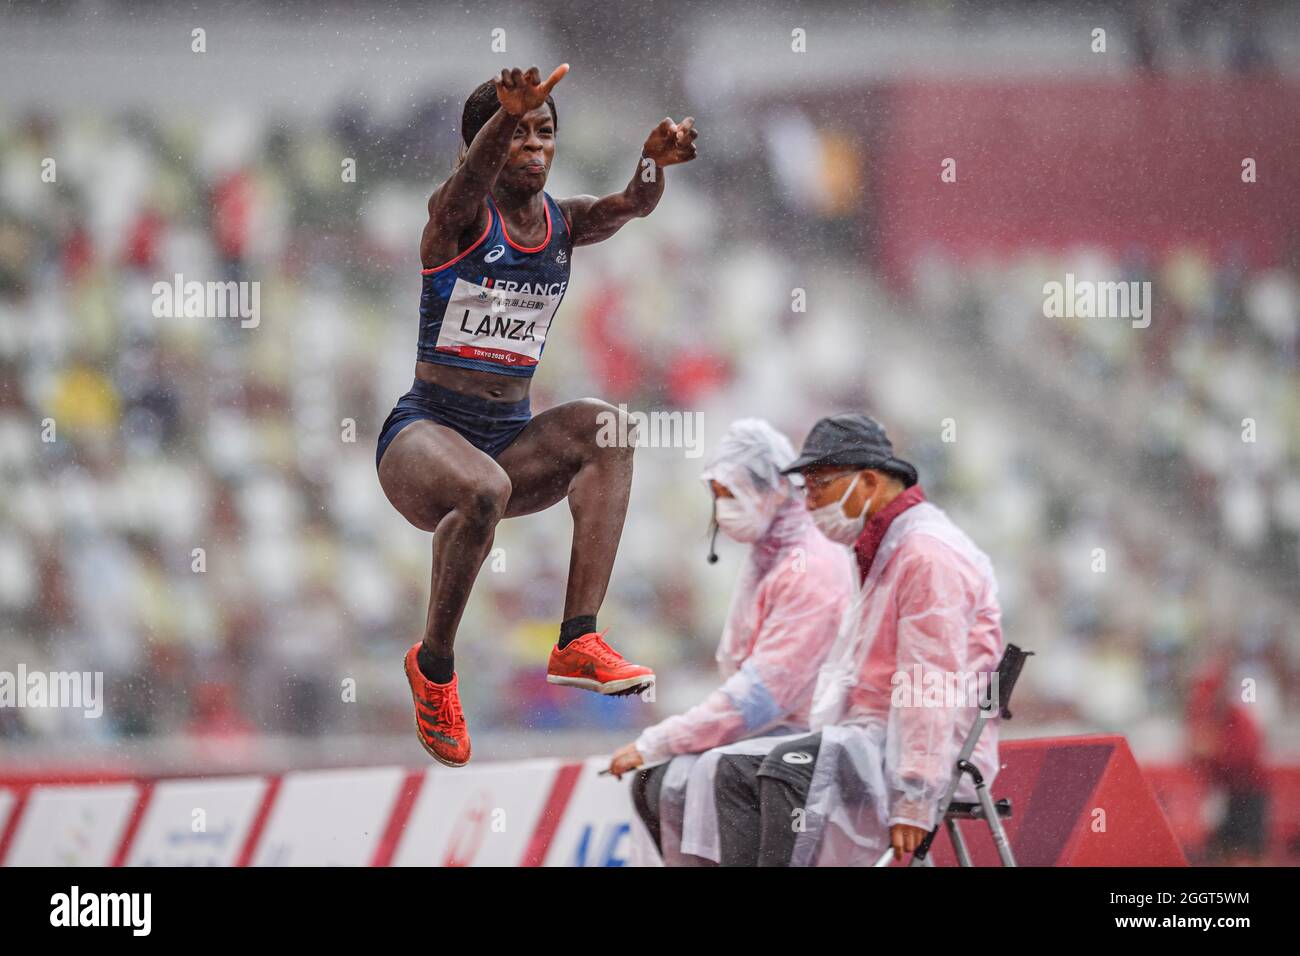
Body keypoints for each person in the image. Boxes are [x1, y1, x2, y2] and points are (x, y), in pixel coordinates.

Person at [377, 65, 699, 766]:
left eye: (544, 133)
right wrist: (502, 119)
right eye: (516, 133)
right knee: (482, 488)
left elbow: (631, 205)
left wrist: (652, 162)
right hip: (423, 438)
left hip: (508, 441)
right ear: (478, 147)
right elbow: (467, 184)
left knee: (609, 427)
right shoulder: (456, 217)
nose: (534, 146)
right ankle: (434, 670)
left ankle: (579, 637)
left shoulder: (564, 221)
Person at [711, 413, 1004, 866]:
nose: (808, 504)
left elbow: (930, 681)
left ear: (867, 482)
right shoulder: (884, 549)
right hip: (875, 736)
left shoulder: (926, 555)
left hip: (930, 751)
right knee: (733, 770)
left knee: (787, 770)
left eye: (818, 487)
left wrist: (915, 793)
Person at [604, 419, 854, 863]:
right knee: (657, 781)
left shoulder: (811, 567)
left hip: (814, 734)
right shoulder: (769, 556)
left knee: (718, 774)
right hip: (779, 728)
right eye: (716, 494)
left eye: (730, 493)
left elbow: (761, 695)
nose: (721, 508)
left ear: (776, 487)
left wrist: (658, 740)